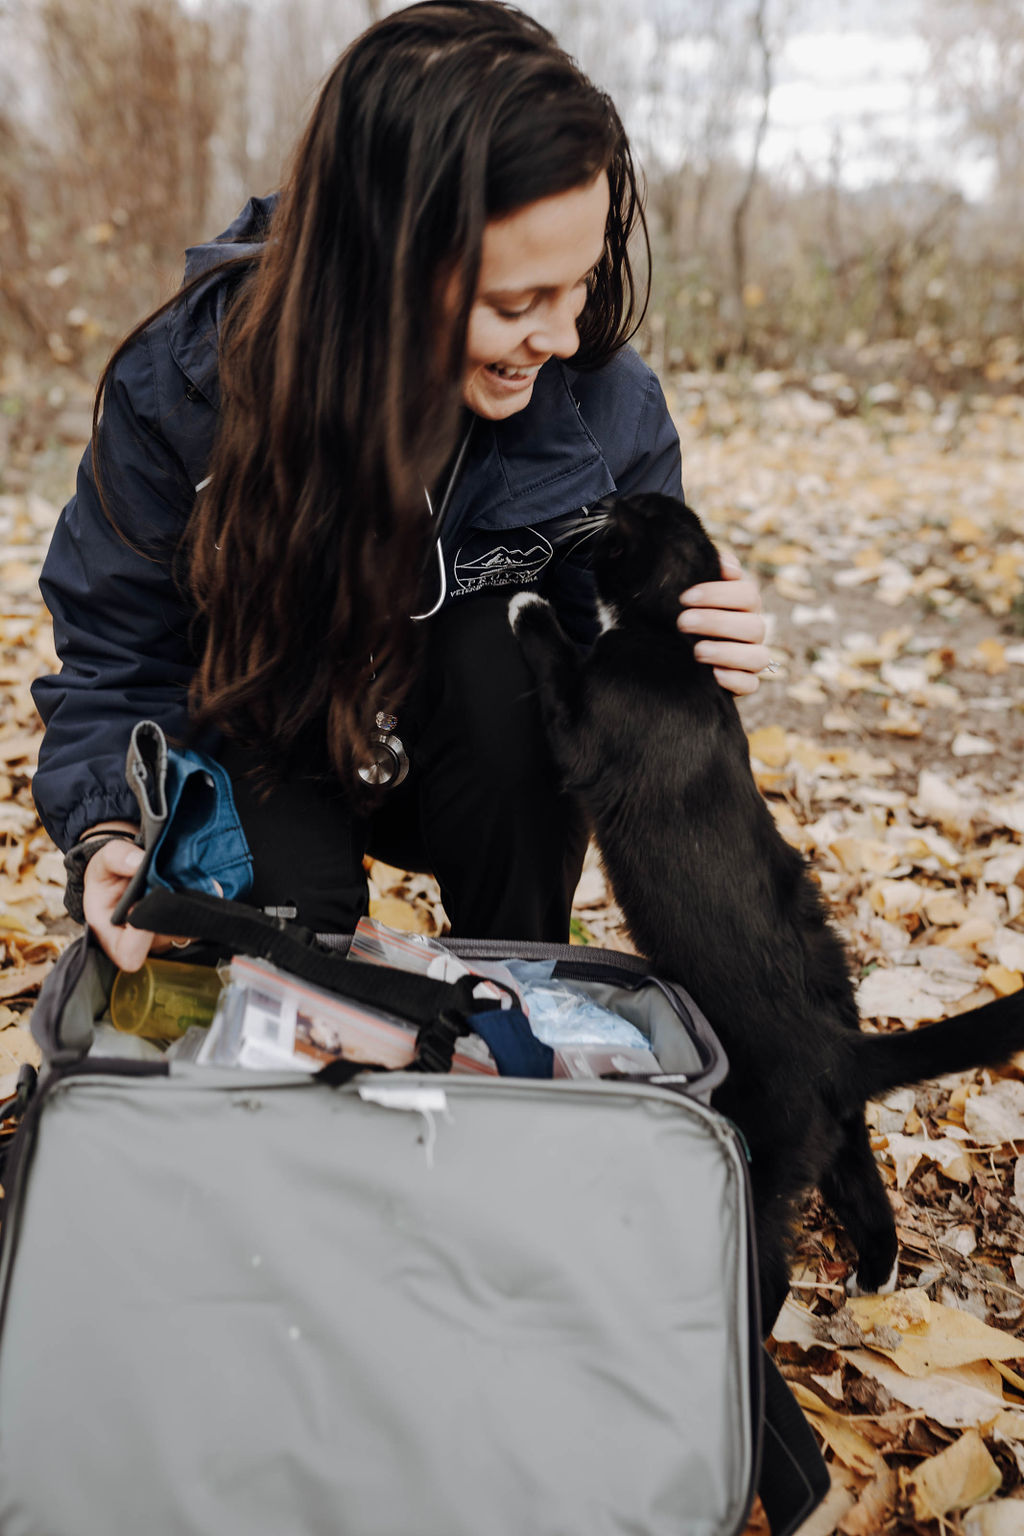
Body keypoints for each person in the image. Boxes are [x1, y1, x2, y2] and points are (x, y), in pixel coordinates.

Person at [32, 0, 770, 973]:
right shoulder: (187, 388)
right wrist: (113, 831)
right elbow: (117, 653)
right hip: (271, 720)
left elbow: (619, 677)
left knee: (508, 649)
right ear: (377, 268)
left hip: (478, 763)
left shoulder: (603, 404)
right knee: (292, 954)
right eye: (516, 303)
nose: (559, 336)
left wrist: (689, 658)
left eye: (580, 283)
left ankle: (519, 993)